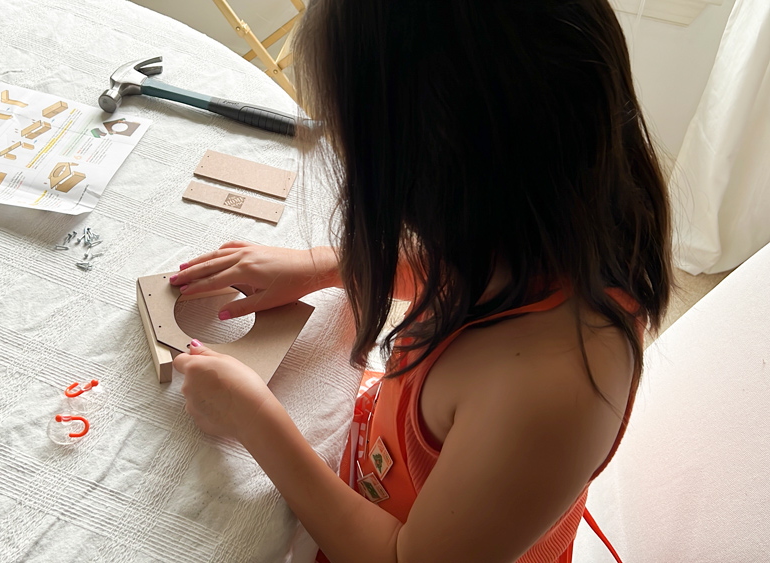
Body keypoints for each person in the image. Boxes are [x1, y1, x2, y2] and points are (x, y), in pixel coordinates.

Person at [170, 0, 671, 561]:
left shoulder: (553, 393)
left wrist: (255, 420)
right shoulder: (548, 223)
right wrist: (326, 264)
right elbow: (456, 264)